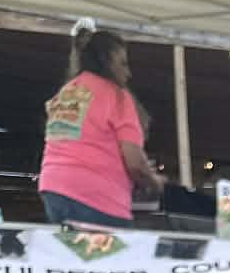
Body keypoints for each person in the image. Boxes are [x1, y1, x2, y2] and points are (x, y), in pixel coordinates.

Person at [37, 27, 164, 228]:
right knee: (112, 257)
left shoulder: (67, 92)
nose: (128, 73)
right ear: (106, 61)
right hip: (96, 196)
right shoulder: (117, 96)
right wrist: (154, 182)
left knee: (71, 256)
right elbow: (134, 163)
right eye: (123, 64)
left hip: (53, 190)